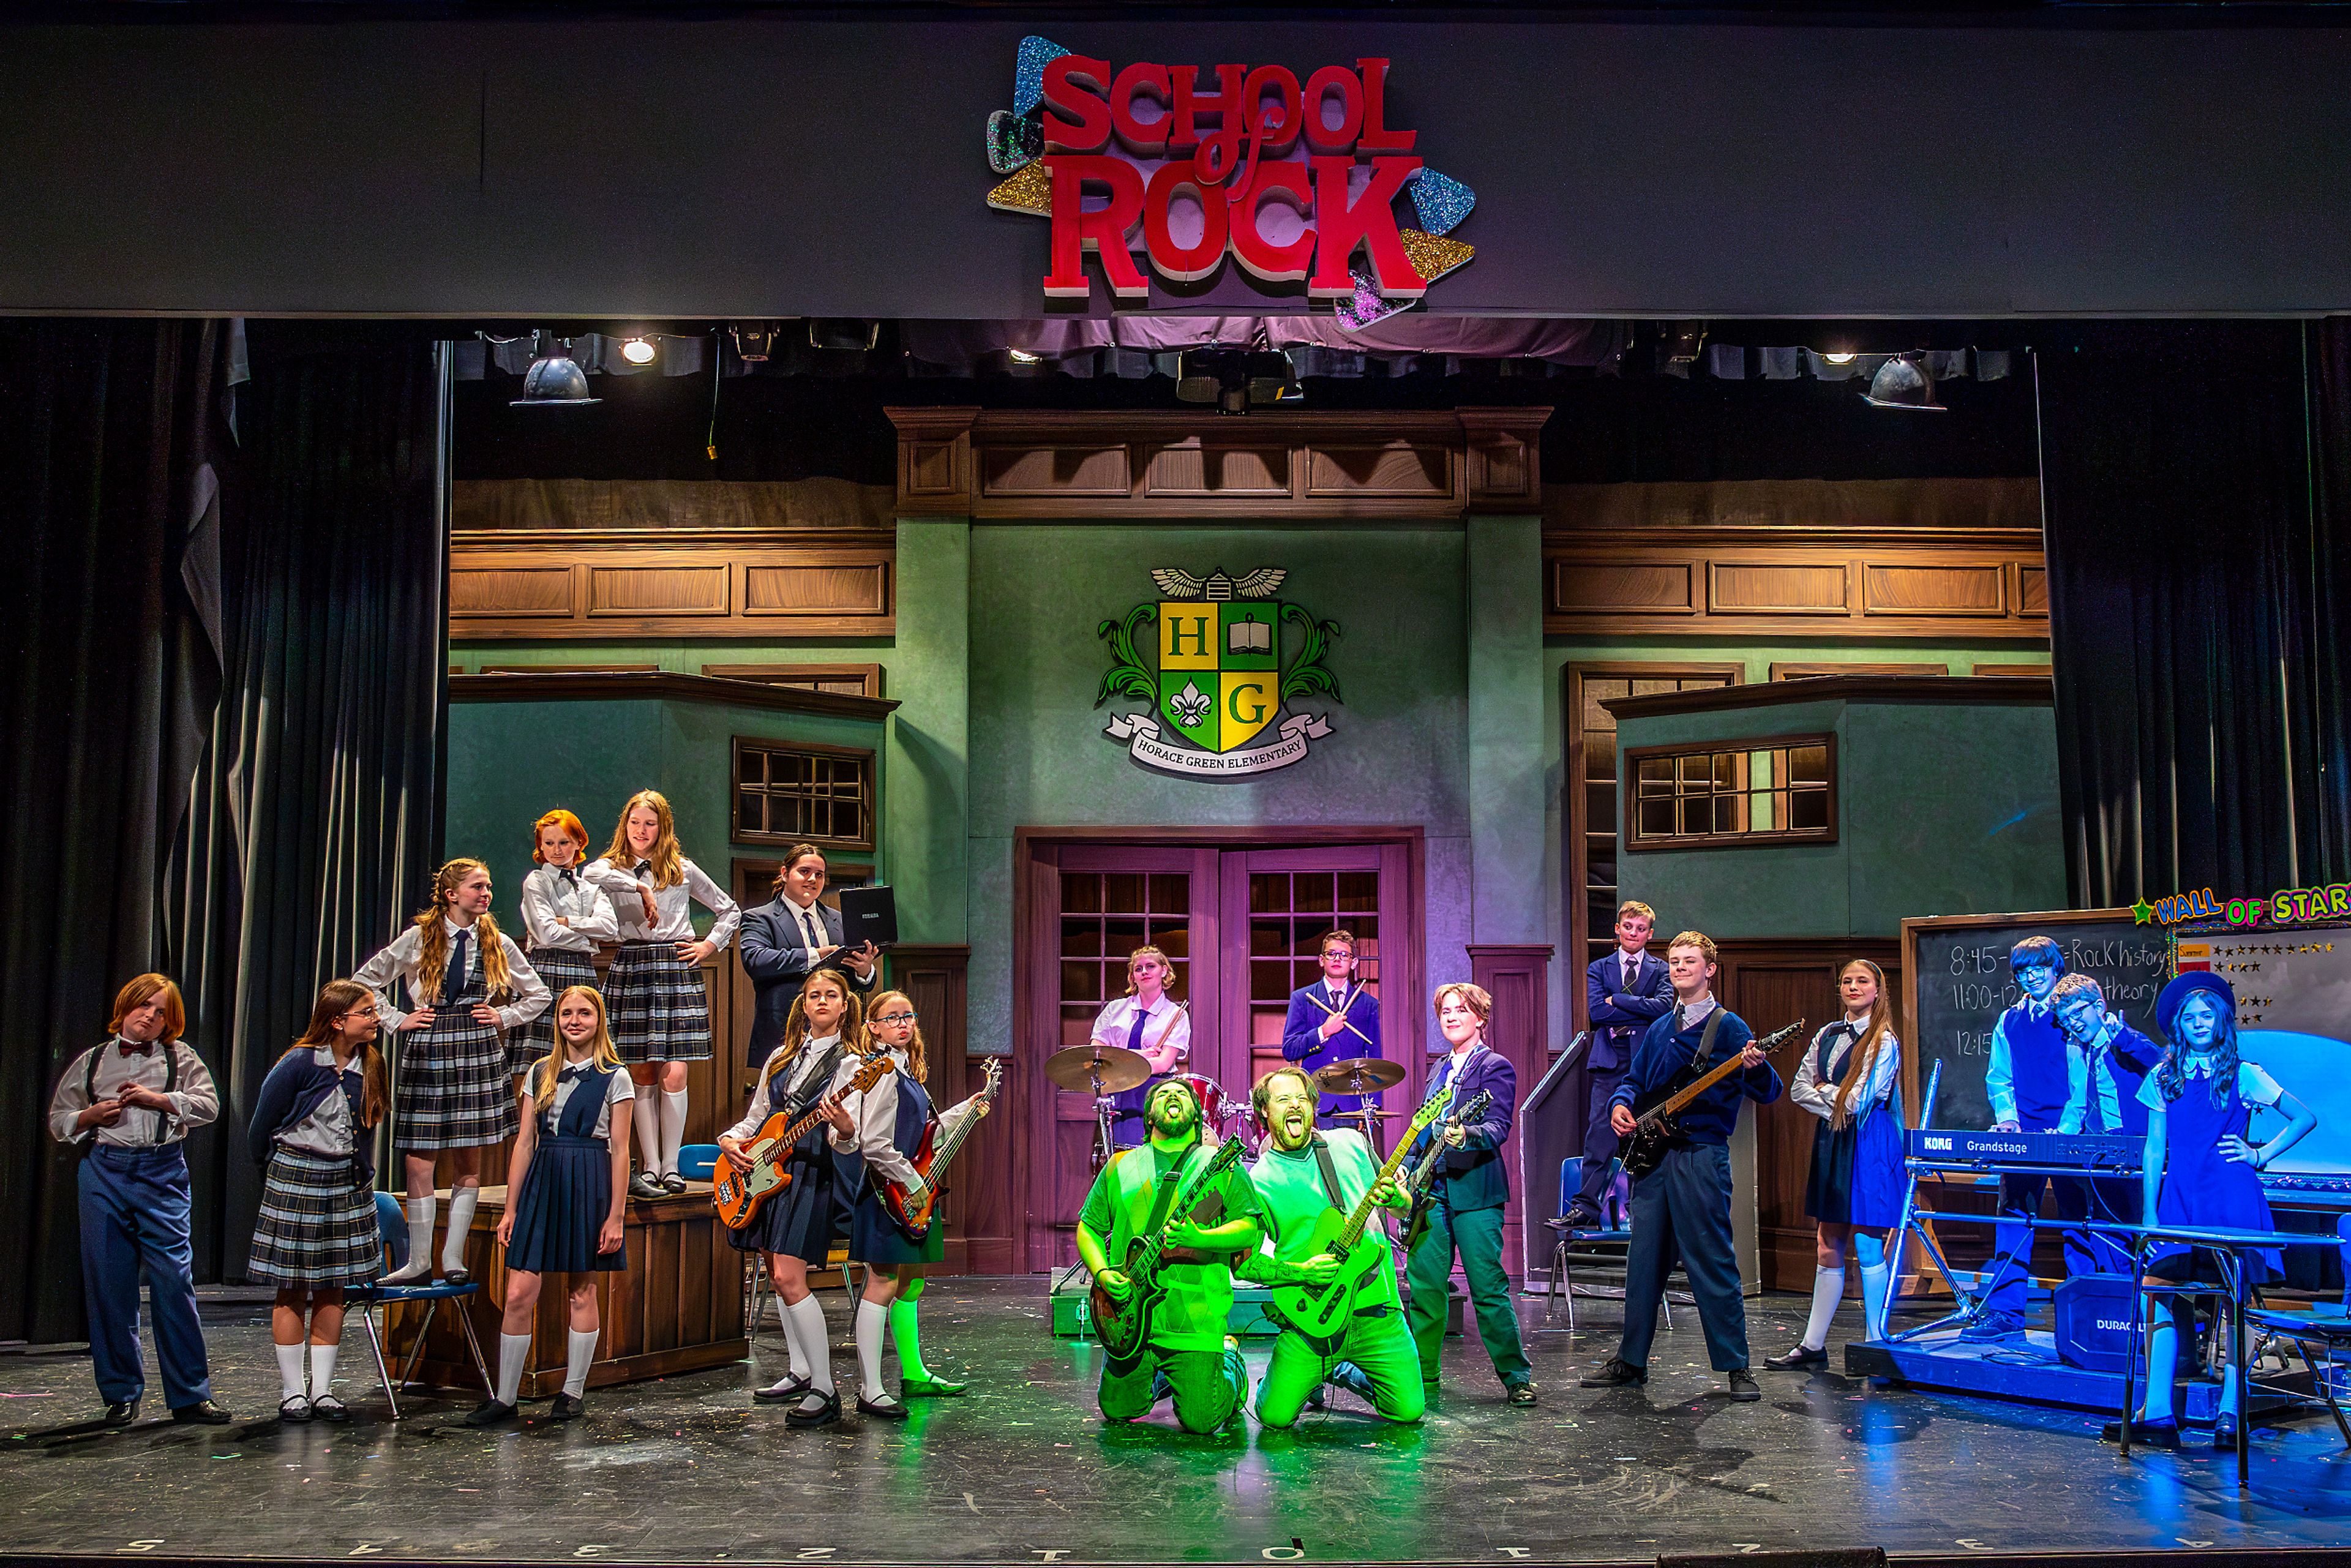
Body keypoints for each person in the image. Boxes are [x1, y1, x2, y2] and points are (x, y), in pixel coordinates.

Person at [2104, 971, 2315, 1450]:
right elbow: (2155, 1148)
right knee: (2158, 1292)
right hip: (2180, 1199)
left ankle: (2229, 1410)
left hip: (2230, 1197)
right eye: (2189, 1017)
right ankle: (2158, 1411)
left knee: (2233, 1302)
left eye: (2206, 1015)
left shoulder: (2242, 1072)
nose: (2198, 1023)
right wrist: (2151, 1211)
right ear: (2178, 1023)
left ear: (2221, 1019)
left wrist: (2261, 1154)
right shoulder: (2164, 1075)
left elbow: (2304, 1116)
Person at [1584, 931, 1780, 1401]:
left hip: (1700, 1157)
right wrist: (1620, 1104)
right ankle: (1631, 1362)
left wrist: (1754, 1065)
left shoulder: (1728, 1026)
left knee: (1712, 1259)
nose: (1679, 968)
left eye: (1689, 961)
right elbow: (1632, 1081)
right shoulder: (1657, 1028)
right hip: (1654, 1160)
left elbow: (1769, 1091)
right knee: (1643, 1263)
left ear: (1710, 969)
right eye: (1673, 961)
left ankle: (1737, 1367)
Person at [47, 974, 230, 1427]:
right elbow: (58, 1119)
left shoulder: (179, 1056)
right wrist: (89, 1115)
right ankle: (120, 1393)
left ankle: (189, 1394)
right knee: (110, 1284)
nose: (150, 1015)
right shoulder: (93, 1060)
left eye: (161, 1010)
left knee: (173, 1281)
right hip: (104, 1171)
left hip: (161, 1171)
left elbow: (209, 1105)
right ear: (125, 1007)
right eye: (143, 1005)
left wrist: (160, 1099)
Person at [356, 857, 549, 1285]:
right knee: (420, 1161)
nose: (486, 894)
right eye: (478, 886)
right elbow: (364, 981)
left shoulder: (494, 939)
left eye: (489, 887)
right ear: (451, 894)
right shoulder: (419, 937)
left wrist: (503, 1016)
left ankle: (454, 1257)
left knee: (469, 1159)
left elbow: (538, 994)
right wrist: (394, 1018)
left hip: (476, 1045)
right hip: (430, 1043)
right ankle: (420, 1258)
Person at [468, 986, 636, 1427]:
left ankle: (573, 1391)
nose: (574, 1020)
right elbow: (524, 1142)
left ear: (599, 1019)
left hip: (589, 1176)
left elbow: (621, 1150)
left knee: (582, 1288)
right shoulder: (540, 1070)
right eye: (566, 1013)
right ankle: (506, 1397)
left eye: (584, 1013)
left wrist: (616, 1215)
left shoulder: (615, 1075)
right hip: (545, 1176)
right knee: (519, 1291)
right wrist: (511, 1207)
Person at [819, 990, 991, 1415]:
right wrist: (914, 1183)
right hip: (888, 1192)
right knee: (882, 1284)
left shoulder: (904, 1069)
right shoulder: (876, 1070)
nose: (903, 1023)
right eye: (891, 1017)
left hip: (910, 1191)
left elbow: (924, 1133)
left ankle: (912, 1373)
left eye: (908, 1015)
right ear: (873, 1026)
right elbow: (874, 1144)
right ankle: (870, 1388)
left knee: (911, 1282)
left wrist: (963, 1110)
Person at [1236, 1066, 1422, 1428]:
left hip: (1376, 1311)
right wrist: (1300, 1272)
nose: (1295, 1105)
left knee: (1409, 1410)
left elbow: (1400, 1207)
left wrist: (1400, 1197)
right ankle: (1295, 1374)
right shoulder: (1257, 1182)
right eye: (1283, 1099)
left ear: (1312, 1108)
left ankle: (1341, 1372)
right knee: (1274, 1417)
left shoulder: (1350, 1144)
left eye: (1302, 1098)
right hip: (1312, 1319)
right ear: (1264, 1111)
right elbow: (1245, 1264)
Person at [1076, 1078, 1261, 1434]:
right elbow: (1088, 1228)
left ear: (1197, 1118)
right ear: (1148, 1118)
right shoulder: (1119, 1165)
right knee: (1117, 1410)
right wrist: (1100, 1273)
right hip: (1129, 1319)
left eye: (1182, 1094)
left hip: (1193, 1320)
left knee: (1202, 1421)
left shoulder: (1219, 1163)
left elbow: (1249, 1227)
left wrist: (1200, 1237)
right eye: (1163, 1093)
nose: (1173, 1095)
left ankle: (1230, 1362)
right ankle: (1164, 1377)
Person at [719, 969, 862, 1426]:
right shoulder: (780, 1058)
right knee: (778, 1273)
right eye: (814, 994)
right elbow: (758, 1117)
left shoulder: (853, 1063)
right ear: (803, 1004)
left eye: (831, 995)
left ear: (844, 1005)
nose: (821, 1001)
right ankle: (801, 1369)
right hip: (769, 1170)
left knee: (787, 1272)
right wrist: (730, 1140)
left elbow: (850, 1136)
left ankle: (826, 1386)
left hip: (813, 1173)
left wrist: (840, 1124)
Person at [587, 789, 742, 1199]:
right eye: (635, 822)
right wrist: (640, 888)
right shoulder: (610, 867)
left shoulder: (683, 868)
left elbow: (730, 909)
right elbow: (588, 875)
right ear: (626, 825)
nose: (642, 830)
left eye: (650, 823)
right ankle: (650, 1164)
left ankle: (671, 1164)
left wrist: (710, 946)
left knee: (675, 1070)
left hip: (675, 964)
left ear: (663, 827)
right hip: (633, 963)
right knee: (640, 1070)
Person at [247, 980, 389, 1423]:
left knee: (334, 1286)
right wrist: (277, 1171)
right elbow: (261, 1126)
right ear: (337, 1019)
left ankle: (323, 1390)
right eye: (366, 1011)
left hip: (345, 1180)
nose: (375, 1018)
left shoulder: (372, 1063)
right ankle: (293, 1392)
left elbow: (367, 1128)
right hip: (298, 1174)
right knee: (292, 1287)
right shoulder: (300, 1062)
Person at [1766, 958, 1905, 1369]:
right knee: (1827, 1243)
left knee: (1866, 1242)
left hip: (1868, 1142)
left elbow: (1861, 1101)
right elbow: (1797, 1089)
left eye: (1863, 980)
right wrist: (1834, 1095)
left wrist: (1829, 1092)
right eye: (1847, 980)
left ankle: (1875, 1341)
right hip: (1833, 1138)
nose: (1853, 986)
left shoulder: (1884, 1040)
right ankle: (1812, 1344)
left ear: (1878, 990)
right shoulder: (1827, 1033)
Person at [1404, 981, 1535, 1406]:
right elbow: (1424, 1131)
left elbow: (1497, 1126)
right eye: (1445, 1010)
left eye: (1461, 1009)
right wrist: (1408, 1168)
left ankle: (1517, 1377)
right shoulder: (1436, 1069)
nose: (1451, 1016)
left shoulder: (1495, 1066)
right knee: (1425, 1286)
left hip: (1476, 1192)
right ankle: (1422, 1377)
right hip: (1432, 1192)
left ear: (1480, 1017)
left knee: (1488, 1287)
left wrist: (1466, 1134)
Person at [1972, 935, 2083, 1338]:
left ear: (2057, 968)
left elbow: (2082, 1079)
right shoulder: (2010, 1019)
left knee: (2080, 1222)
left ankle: (2083, 1314)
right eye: (2023, 969)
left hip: (2071, 1133)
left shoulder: (2071, 1014)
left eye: (2039, 967)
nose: (2032, 975)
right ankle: (2005, 1312)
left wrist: (2068, 1128)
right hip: (2025, 1135)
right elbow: (1999, 1077)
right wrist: (2008, 1120)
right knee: (2015, 1217)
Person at [1567, 901, 1674, 1229]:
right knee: (1600, 1133)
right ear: (1617, 929)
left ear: (1650, 934)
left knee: (1649, 1132)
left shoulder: (1660, 970)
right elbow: (1598, 1013)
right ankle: (1586, 1207)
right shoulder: (1600, 968)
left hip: (1646, 1059)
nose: (1634, 933)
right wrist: (1640, 1009)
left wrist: (1621, 1000)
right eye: (1628, 927)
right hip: (1609, 1059)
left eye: (1641, 929)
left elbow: (1664, 1009)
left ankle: (1647, 1211)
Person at [2051, 971, 2164, 1275]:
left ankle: (2151, 1310)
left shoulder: (2124, 1040)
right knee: (2106, 1231)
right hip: (2099, 1152)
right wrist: (2061, 1136)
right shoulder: (2078, 1051)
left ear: (2099, 1007)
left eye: (2078, 1013)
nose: (2073, 1023)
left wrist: (2123, 1037)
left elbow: (2160, 1063)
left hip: (2133, 1149)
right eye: (2065, 1019)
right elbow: (2078, 1101)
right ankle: (2117, 1306)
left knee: (2142, 1232)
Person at [740, 842, 879, 1067]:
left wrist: (864, 970)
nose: (813, 879)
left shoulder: (839, 920)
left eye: (819, 874)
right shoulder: (759, 918)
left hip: (839, 1039)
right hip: (783, 1034)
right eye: (805, 872)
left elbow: (857, 981)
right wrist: (815, 955)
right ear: (785, 874)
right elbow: (756, 960)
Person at [511, 808, 618, 1081]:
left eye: (564, 843)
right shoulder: (537, 881)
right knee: (537, 1064)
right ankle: (532, 1125)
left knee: (584, 1060)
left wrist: (568, 922)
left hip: (582, 971)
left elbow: (610, 928)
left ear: (579, 843)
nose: (556, 850)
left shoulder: (591, 888)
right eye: (549, 843)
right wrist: (588, 936)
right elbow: (547, 934)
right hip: (545, 970)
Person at [1089, 945, 1191, 1149]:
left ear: (1164, 971)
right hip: (1118, 1093)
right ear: (1133, 977)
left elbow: (1163, 1064)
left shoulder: (1176, 1015)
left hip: (1155, 1097)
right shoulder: (1114, 1010)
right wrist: (1139, 1055)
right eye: (1138, 969)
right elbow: (1097, 1056)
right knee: (1114, 1163)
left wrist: (1119, 1060)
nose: (1144, 972)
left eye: (1150, 966)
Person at [1279, 929, 1382, 1126]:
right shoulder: (1302, 999)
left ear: (1353, 963)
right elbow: (1290, 1049)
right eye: (1331, 954)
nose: (1338, 959)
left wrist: (1371, 1106)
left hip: (1352, 1103)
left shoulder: (1368, 1004)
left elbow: (1374, 1059)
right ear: (1321, 960)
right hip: (1314, 1100)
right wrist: (1323, 1032)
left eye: (1344, 955)